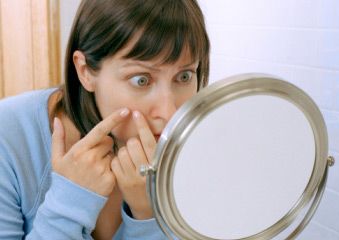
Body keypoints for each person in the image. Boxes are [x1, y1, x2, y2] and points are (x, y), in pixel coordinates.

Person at [0, 0, 210, 239]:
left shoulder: (196, 145)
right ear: (85, 71)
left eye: (184, 76)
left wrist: (149, 214)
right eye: (141, 80)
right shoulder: (7, 137)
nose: (170, 112)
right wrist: (69, 204)